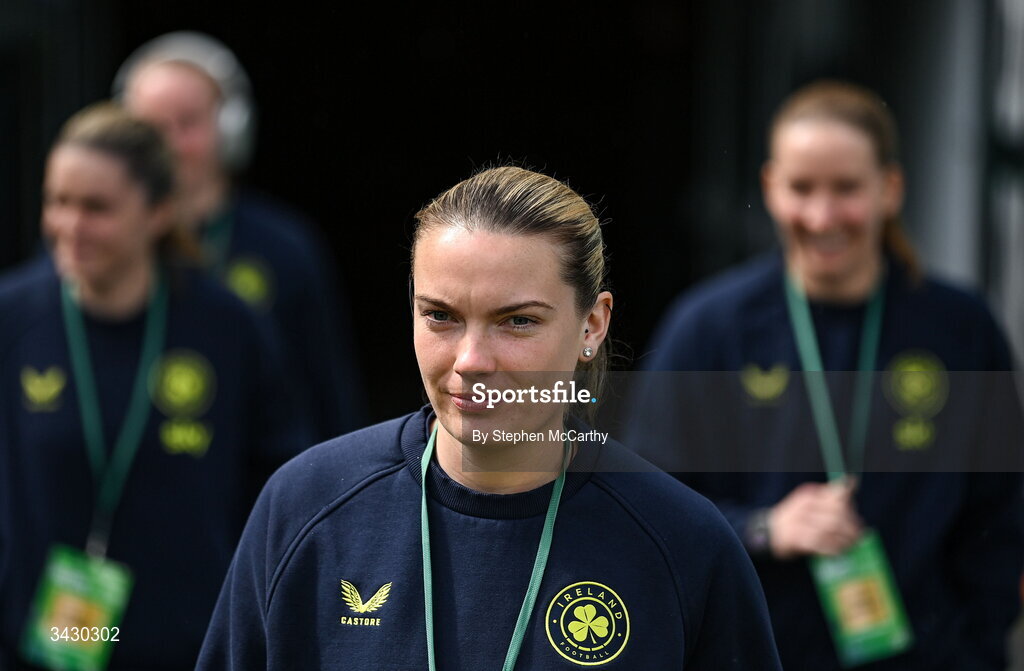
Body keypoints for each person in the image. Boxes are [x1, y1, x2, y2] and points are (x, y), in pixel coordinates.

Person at [196, 166, 782, 669]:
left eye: (518, 321)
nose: (472, 361)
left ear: (592, 325)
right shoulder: (306, 509)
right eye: (441, 316)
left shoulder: (684, 544)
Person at [633, 80, 1024, 670]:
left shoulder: (960, 328)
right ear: (769, 187)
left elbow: (1003, 510)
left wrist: (972, 641)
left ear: (890, 189)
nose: (821, 215)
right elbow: (647, 504)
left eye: (846, 189)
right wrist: (763, 527)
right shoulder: (709, 327)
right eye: (801, 188)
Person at [0, 103, 311, 669]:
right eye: (57, 202)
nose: (68, 226)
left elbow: (281, 481)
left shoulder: (228, 325)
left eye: (95, 207)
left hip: (193, 645)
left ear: (160, 212)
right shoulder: (12, 318)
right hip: (38, 648)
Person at [115, 31, 364, 442]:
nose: (170, 145)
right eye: (153, 127)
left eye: (187, 123)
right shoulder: (100, 243)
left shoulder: (288, 248)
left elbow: (328, 394)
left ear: (231, 127)